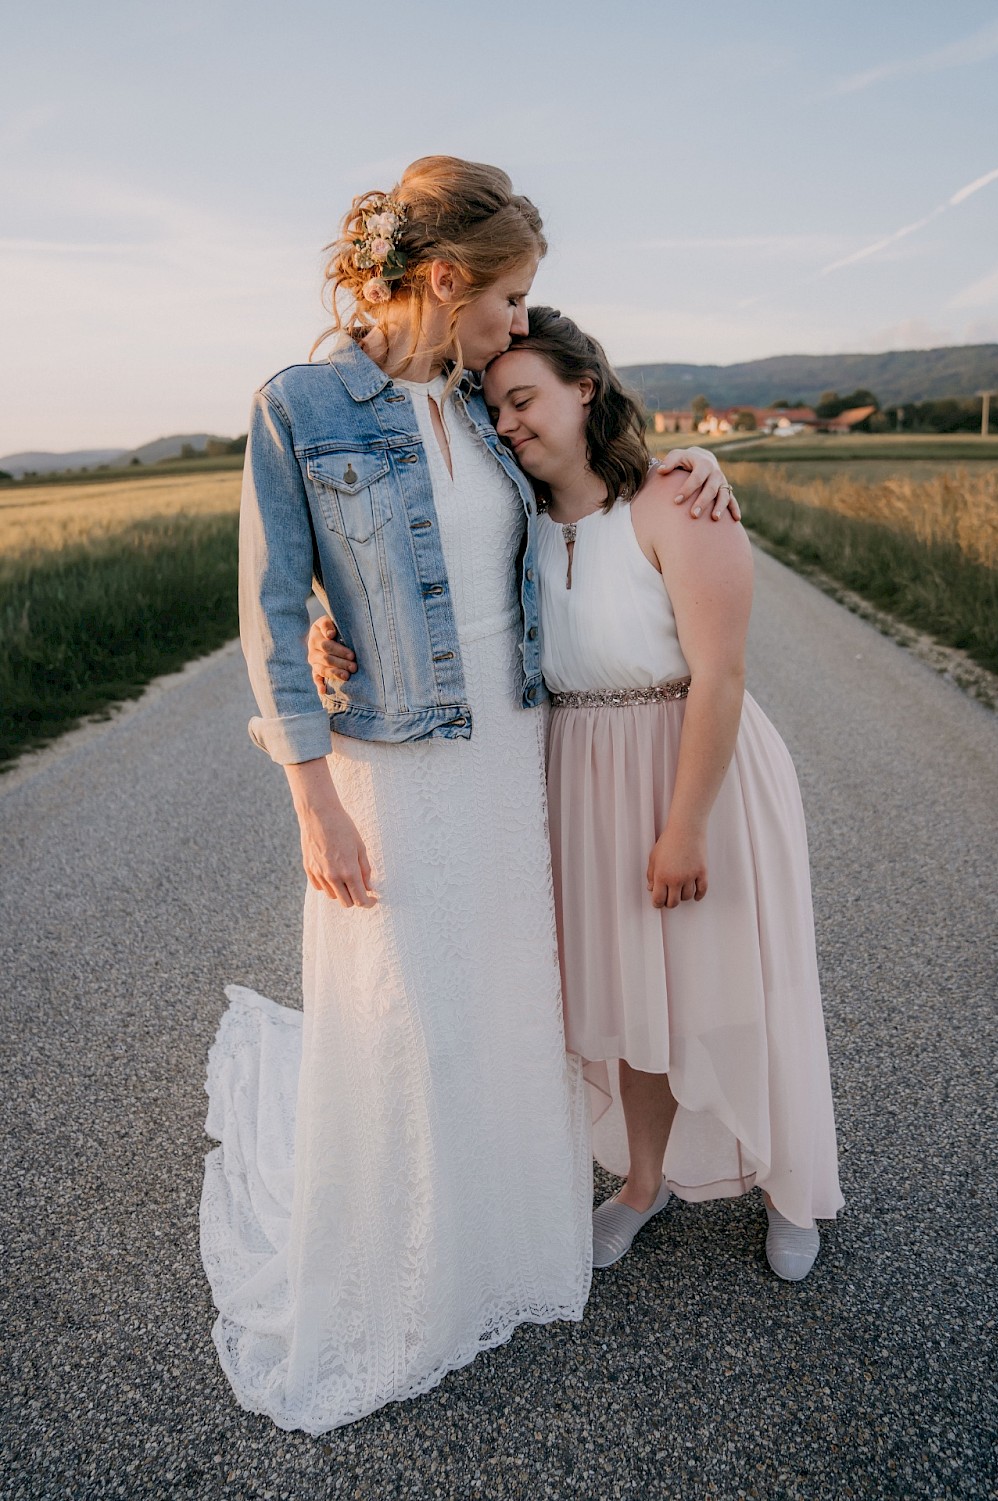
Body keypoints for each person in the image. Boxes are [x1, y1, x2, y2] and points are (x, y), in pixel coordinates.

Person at [201, 158, 737, 1434]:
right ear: (445, 281)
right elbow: (273, 616)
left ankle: (503, 1236)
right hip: (390, 765)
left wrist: (699, 459)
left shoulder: (477, 398)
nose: (517, 323)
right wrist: (312, 801)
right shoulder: (295, 407)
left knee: (505, 995)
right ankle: (406, 1260)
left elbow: (587, 490)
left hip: (514, 757)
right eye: (507, 297)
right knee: (413, 1007)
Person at [481, 308, 844, 1279]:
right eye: (494, 407)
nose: (509, 421)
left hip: (694, 765)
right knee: (636, 1000)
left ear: (583, 388)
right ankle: (642, 1184)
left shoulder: (675, 499)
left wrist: (683, 826)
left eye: (526, 397)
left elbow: (720, 676)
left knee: (738, 986)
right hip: (582, 777)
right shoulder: (503, 520)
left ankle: (790, 1185)